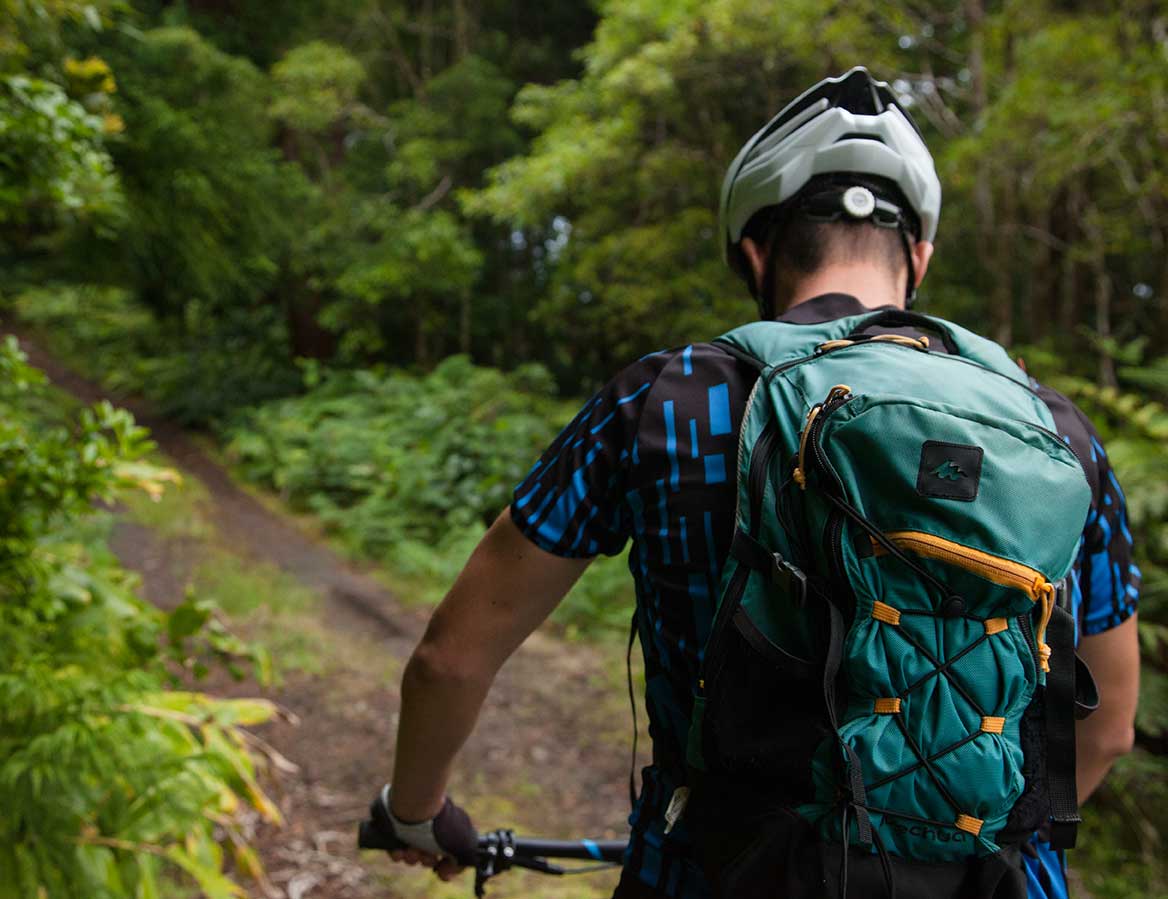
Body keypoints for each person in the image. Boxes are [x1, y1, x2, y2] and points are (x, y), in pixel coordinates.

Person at [371, 68, 1140, 899]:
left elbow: (450, 659)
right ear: (917, 255)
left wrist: (416, 809)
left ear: (755, 251)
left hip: (716, 872)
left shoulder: (668, 398)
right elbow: (1108, 730)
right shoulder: (1054, 432)